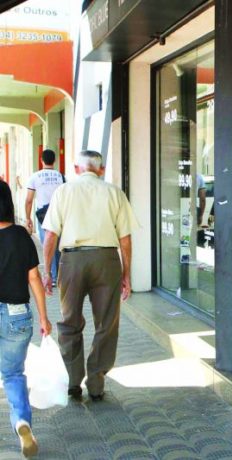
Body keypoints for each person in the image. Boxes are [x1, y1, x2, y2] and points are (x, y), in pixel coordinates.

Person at [42, 150, 137, 402]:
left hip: (72, 261)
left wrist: (47, 272)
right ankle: (96, 383)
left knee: (69, 321)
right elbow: (125, 239)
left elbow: (50, 235)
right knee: (107, 323)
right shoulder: (114, 192)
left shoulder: (63, 191)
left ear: (76, 169)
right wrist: (126, 273)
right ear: (101, 169)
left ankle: (73, 381)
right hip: (106, 260)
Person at [0, 180, 52, 457]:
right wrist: (44, 317)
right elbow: (34, 278)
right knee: (13, 374)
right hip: (16, 315)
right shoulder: (21, 235)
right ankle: (21, 420)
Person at [25, 149, 65, 284]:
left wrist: (28, 218)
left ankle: (51, 276)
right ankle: (57, 275)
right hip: (59, 213)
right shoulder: (61, 177)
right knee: (58, 244)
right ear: (55, 160)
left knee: (47, 244)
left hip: (43, 215)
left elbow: (29, 200)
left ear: (41, 160)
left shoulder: (35, 177)